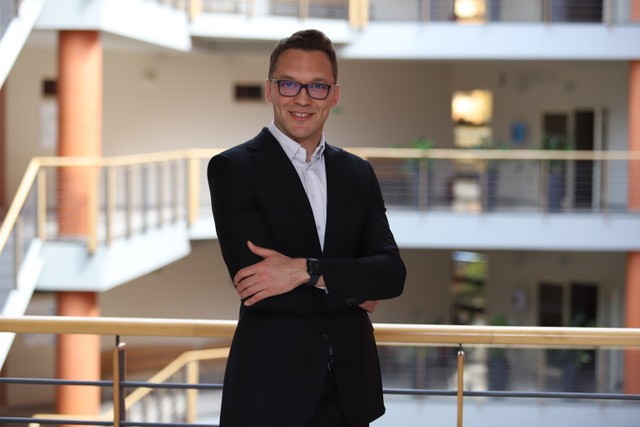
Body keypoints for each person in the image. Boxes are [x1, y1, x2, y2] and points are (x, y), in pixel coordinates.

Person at [207, 29, 406, 427]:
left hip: (351, 391)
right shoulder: (233, 169)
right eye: (288, 84)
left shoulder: (358, 173)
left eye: (317, 86)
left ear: (334, 95)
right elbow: (257, 284)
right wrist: (354, 287)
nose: (302, 98)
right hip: (270, 393)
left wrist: (304, 270)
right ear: (270, 90)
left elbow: (391, 275)